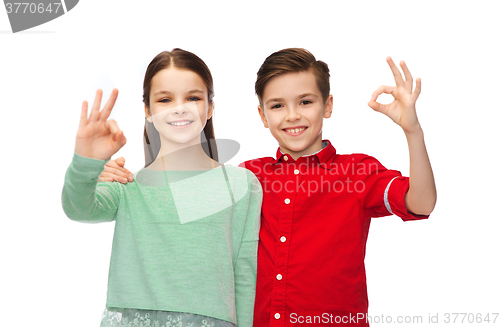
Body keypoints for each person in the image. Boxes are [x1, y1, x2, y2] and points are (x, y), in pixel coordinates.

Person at [101, 48, 436, 327]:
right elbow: (162, 210)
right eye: (277, 105)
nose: (292, 115)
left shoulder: (356, 171)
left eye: (305, 102)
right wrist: (113, 176)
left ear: (328, 105)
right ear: (262, 114)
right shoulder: (247, 177)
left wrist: (412, 130)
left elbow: (420, 203)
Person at [62, 48, 262, 327]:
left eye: (193, 97)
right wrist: (87, 162)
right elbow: (77, 207)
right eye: (165, 99)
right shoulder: (127, 185)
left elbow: (245, 274)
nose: (180, 108)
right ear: (148, 111)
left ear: (210, 106)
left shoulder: (241, 184)